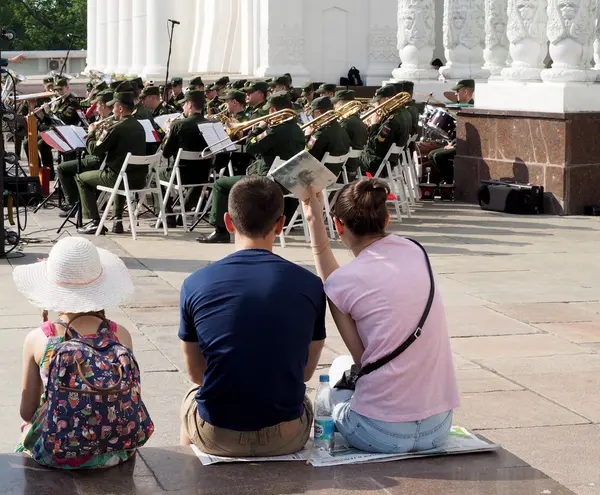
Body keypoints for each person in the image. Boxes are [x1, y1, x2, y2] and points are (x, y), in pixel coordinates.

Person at [302, 179, 460, 454]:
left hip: (378, 433)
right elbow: (339, 284)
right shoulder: (417, 251)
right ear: (387, 218)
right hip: (438, 428)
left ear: (339, 226)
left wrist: (314, 216)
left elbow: (362, 360)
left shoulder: (343, 284)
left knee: (340, 370)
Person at [179, 177, 325, 456]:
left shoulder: (195, 283)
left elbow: (197, 374)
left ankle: (191, 476)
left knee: (189, 395)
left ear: (228, 221)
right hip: (287, 434)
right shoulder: (310, 284)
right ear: (280, 224)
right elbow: (305, 372)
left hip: (217, 433)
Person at [13, 236, 153, 468]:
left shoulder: (40, 338)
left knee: (27, 429)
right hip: (115, 451)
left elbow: (27, 412)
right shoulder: (121, 335)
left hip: (57, 454)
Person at [197, 92, 305, 244]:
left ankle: (220, 230)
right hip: (287, 180)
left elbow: (250, 146)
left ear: (274, 111)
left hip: (266, 179)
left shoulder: (274, 131)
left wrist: (258, 129)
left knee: (220, 185)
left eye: (269, 110)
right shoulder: (298, 130)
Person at [75, 91, 147, 235]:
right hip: (138, 179)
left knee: (81, 178)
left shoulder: (116, 128)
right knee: (121, 172)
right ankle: (117, 222)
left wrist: (91, 133)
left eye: (113, 107)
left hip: (120, 179)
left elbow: (95, 150)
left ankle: (94, 221)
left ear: (120, 108)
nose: (112, 111)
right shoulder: (139, 126)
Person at [56, 90, 115, 215]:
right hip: (97, 157)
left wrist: (90, 134)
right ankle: (76, 202)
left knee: (62, 168)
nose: (96, 109)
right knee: (70, 165)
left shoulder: (110, 123)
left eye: (97, 106)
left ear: (103, 105)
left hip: (99, 160)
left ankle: (74, 204)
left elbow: (97, 148)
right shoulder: (105, 119)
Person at [161, 90, 213, 226]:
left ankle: (167, 214)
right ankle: (185, 209)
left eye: (184, 104)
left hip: (181, 174)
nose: (183, 107)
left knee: (154, 175)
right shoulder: (211, 125)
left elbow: (166, 153)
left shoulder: (178, 125)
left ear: (189, 105)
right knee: (198, 181)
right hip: (203, 175)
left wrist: (168, 131)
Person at [24, 77, 81, 175]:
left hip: (66, 134)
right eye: (57, 90)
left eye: (61, 89)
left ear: (67, 88)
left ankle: (49, 174)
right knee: (27, 143)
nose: (58, 92)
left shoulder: (72, 102)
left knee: (41, 144)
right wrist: (42, 116)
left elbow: (63, 120)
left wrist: (49, 112)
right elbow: (51, 122)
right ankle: (37, 171)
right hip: (55, 131)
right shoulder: (58, 102)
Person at [360, 85, 411, 176]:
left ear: (386, 99)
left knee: (349, 162)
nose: (377, 105)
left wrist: (374, 125)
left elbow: (377, 146)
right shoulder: (404, 113)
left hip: (377, 164)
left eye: (378, 101)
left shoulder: (391, 121)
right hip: (389, 161)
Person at [305, 97, 351, 178]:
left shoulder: (321, 133)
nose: (313, 117)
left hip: (318, 177)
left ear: (319, 113)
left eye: (313, 114)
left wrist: (307, 136)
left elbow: (307, 156)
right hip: (334, 176)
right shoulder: (342, 130)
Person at [332, 90, 368, 181]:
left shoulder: (346, 123)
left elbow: (336, 147)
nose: (334, 106)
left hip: (342, 171)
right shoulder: (358, 121)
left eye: (336, 103)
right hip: (353, 168)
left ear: (345, 104)